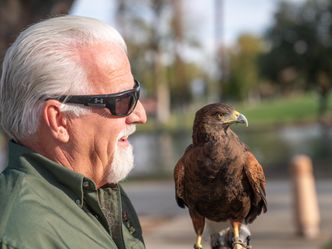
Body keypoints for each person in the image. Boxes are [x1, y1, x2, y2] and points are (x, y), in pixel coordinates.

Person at [0, 15, 147, 249]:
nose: (140, 115)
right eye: (122, 101)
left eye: (135, 93)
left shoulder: (97, 192)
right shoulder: (23, 237)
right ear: (59, 121)